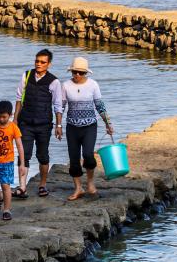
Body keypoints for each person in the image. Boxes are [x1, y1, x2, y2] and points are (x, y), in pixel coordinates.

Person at [56, 56, 113, 201]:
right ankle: (78, 188)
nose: (77, 75)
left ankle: (90, 184)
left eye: (81, 73)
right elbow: (60, 107)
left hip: (89, 126)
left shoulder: (93, 85)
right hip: (72, 127)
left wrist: (108, 123)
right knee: (74, 158)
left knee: (88, 155)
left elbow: (100, 105)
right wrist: (58, 125)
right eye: (75, 72)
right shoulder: (66, 85)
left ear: (86, 73)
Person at [12, 48, 64, 199]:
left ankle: (42, 185)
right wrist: (15, 119)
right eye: (37, 61)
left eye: (43, 62)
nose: (39, 64)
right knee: (24, 155)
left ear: (49, 64)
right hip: (25, 123)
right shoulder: (26, 76)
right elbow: (18, 98)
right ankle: (22, 188)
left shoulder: (54, 81)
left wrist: (58, 126)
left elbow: (58, 105)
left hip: (44, 124)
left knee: (42, 155)